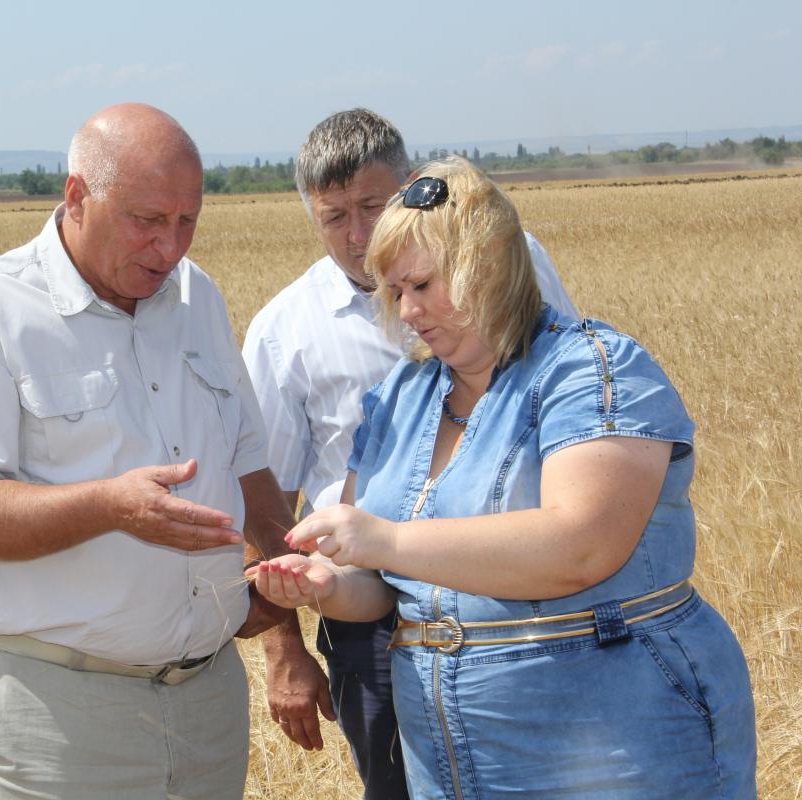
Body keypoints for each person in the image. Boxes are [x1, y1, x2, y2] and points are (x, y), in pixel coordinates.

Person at [248, 155, 757, 798]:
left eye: (422, 285)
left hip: (615, 746)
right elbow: (377, 589)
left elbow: (581, 547)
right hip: (450, 758)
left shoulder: (594, 371)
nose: (406, 312)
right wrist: (324, 585)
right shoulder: (401, 397)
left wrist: (381, 540)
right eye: (395, 292)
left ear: (484, 267)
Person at [0, 103, 320, 800]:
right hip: (60, 718)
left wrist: (294, 573)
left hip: (209, 701)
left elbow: (248, 463)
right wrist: (109, 507)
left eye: (187, 221)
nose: (170, 247)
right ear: (77, 197)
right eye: (147, 220)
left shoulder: (198, 301)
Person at [241, 108, 579, 798]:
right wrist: (286, 653)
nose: (358, 235)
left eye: (372, 205)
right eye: (333, 217)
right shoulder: (284, 331)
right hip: (370, 615)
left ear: (412, 184)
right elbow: (265, 501)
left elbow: (571, 392)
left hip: (524, 594)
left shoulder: (515, 259)